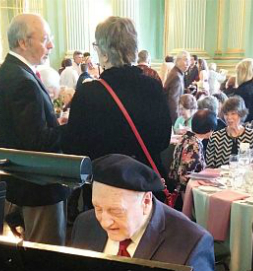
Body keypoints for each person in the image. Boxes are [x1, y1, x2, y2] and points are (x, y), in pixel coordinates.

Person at [70, 154, 217, 271]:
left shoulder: (191, 242)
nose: (104, 221)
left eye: (116, 211)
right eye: (98, 208)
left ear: (146, 202)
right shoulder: (85, 224)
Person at [0, 13, 68, 245]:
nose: (51, 45)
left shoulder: (11, 71)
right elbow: (37, 142)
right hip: (38, 187)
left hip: (25, 182)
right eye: (45, 39)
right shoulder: (22, 79)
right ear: (23, 42)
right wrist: (73, 128)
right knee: (47, 254)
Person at [64, 16, 172, 178]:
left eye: (96, 46)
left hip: (104, 185)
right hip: (144, 182)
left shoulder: (88, 93)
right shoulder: (153, 87)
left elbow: (74, 147)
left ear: (105, 54)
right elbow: (164, 140)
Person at [168, 109, 216, 195]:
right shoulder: (194, 146)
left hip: (175, 186)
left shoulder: (185, 137)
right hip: (186, 193)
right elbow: (186, 177)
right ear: (210, 130)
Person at [205, 96, 253, 168]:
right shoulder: (216, 137)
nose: (229, 118)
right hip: (221, 177)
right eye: (226, 114)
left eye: (233, 113)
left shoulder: (252, 136)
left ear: (241, 114)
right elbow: (209, 166)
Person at [164, 50, 190, 123]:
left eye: (188, 61)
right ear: (178, 60)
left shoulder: (177, 73)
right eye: (186, 60)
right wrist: (177, 122)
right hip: (171, 116)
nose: (188, 64)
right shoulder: (177, 76)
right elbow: (173, 101)